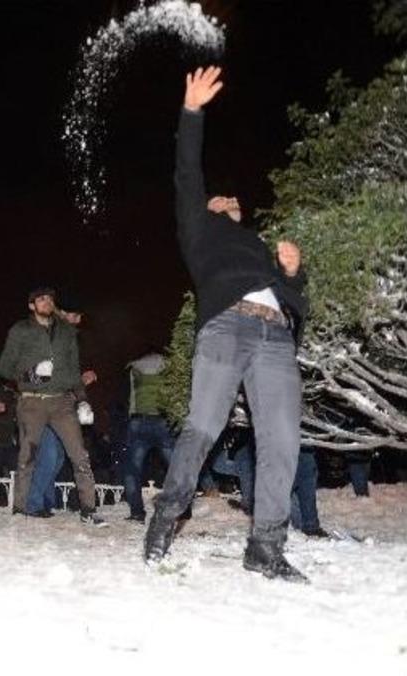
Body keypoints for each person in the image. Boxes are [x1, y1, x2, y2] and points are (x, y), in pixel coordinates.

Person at [143, 67, 309, 582]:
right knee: (203, 426)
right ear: (208, 210)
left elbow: (296, 300)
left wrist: (292, 274)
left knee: (282, 437)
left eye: (238, 201)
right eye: (224, 199)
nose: (233, 201)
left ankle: (265, 547)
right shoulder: (197, 229)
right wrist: (191, 112)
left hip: (274, 334)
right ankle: (166, 519)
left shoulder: (256, 245)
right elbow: (188, 173)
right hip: (226, 326)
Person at [0, 286, 104, 525]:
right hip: (31, 402)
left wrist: (83, 399)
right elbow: (4, 368)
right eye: (40, 299)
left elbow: (74, 370)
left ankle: (89, 509)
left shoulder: (66, 332)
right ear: (31, 305)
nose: (46, 302)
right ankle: (20, 509)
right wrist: (31, 376)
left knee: (79, 455)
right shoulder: (20, 330)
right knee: (28, 457)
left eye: (50, 299)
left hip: (62, 402)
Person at [121, 350, 174, 523]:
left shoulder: (135, 368)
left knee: (132, 470)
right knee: (177, 468)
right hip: (164, 422)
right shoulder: (171, 365)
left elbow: (131, 399)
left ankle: (137, 513)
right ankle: (182, 511)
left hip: (139, 422)